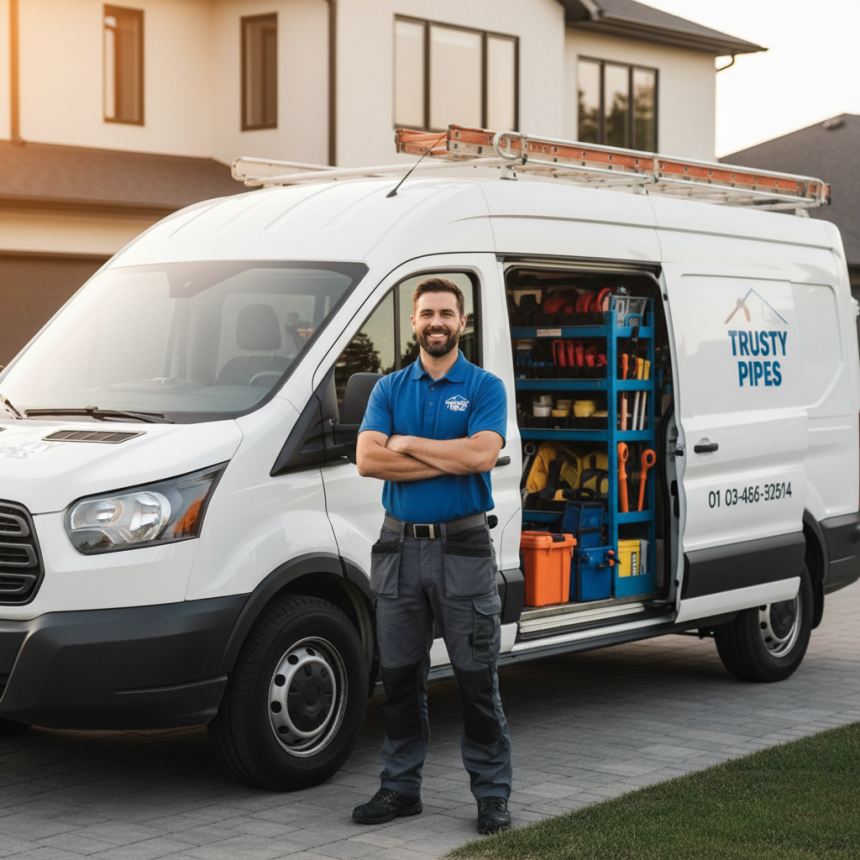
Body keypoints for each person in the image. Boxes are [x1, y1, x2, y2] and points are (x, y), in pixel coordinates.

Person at [352, 277, 513, 835]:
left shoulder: (485, 386)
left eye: (447, 312)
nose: (436, 321)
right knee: (397, 677)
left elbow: (481, 455)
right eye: (427, 313)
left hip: (463, 548)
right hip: (399, 548)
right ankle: (400, 788)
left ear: (461, 323)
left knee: (475, 680)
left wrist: (408, 443)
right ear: (414, 322)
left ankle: (492, 795)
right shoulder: (389, 389)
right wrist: (450, 456)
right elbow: (368, 461)